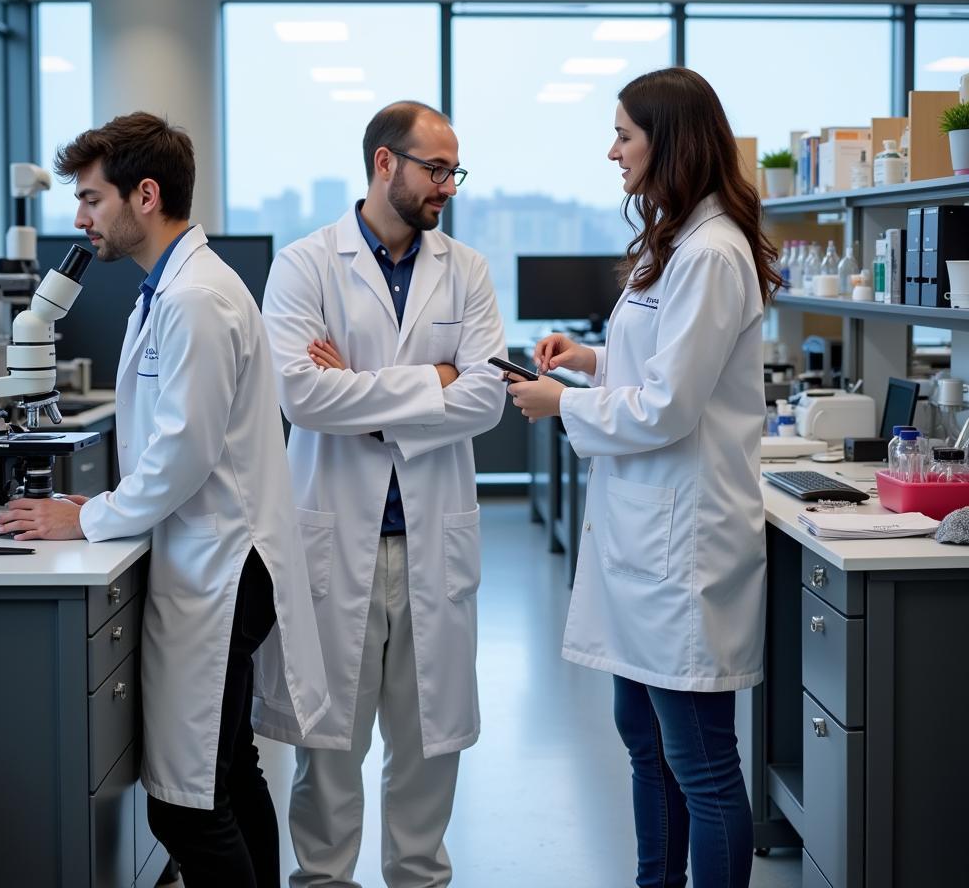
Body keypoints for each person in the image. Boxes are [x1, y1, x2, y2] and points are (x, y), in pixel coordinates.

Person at [0, 111, 329, 888]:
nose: (80, 220)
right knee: (230, 772)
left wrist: (88, 515)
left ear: (145, 195)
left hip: (221, 566)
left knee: (183, 807)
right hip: (215, 554)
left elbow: (183, 452)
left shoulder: (195, 300)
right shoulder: (172, 289)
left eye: (91, 199)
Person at [505, 67, 781, 888]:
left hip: (683, 552)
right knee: (643, 736)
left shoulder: (713, 251)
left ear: (670, 141)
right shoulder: (681, 240)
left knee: (699, 760)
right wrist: (589, 359)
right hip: (644, 545)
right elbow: (662, 364)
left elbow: (668, 406)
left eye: (624, 134)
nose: (613, 150)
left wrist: (563, 403)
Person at [254, 100, 506, 888]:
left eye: (455, 171)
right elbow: (300, 397)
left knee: (430, 750)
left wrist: (360, 392)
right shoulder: (303, 263)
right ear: (385, 163)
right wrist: (433, 381)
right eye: (436, 169)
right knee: (327, 752)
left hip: (432, 541)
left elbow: (488, 399)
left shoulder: (466, 270)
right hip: (333, 542)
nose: (449, 187)